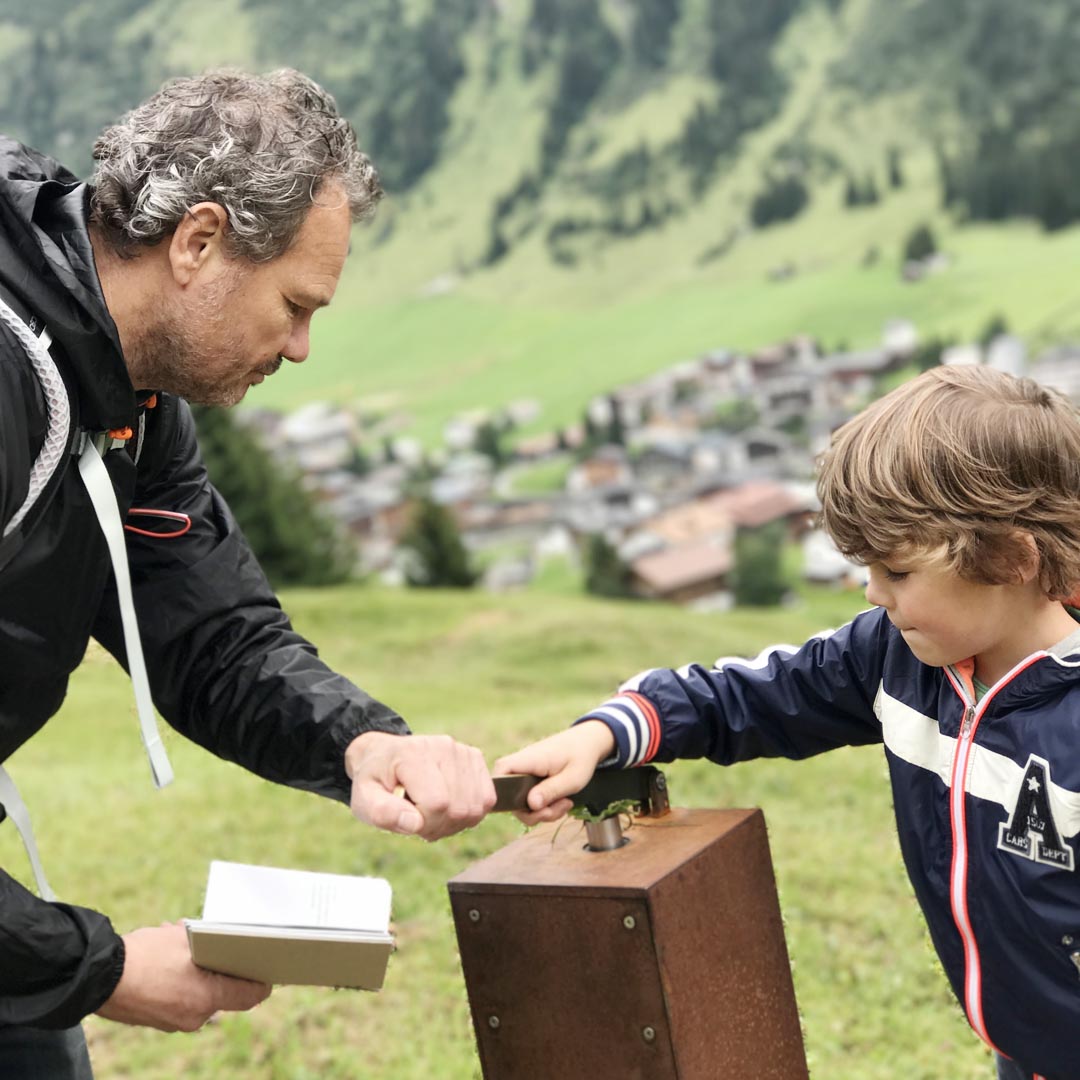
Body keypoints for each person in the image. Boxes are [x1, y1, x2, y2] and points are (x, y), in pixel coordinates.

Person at [0, 68, 495, 1077]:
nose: (303, 347)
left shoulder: (126, 399)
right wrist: (101, 970)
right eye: (294, 304)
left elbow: (212, 635)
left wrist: (362, 744)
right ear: (199, 243)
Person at [496, 364, 1080, 1080]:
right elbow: (749, 698)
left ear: (1012, 558)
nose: (872, 593)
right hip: (1022, 1055)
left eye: (896, 572)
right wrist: (606, 733)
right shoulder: (891, 660)